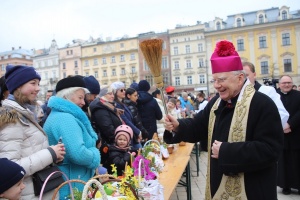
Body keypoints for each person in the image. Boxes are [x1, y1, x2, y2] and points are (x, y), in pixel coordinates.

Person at [164, 40, 283, 200]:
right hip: (217, 186)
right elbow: (198, 126)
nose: (217, 85)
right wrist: (178, 126)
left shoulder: (263, 104)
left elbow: (270, 150)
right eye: (214, 80)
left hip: (252, 189)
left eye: (221, 80)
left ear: (240, 78)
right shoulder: (216, 103)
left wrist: (226, 151)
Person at [0, 65, 65, 200]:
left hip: (39, 191)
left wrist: (54, 157)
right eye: (33, 83)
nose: (38, 88)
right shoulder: (12, 119)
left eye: (38, 83)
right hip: (28, 194)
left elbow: (30, 151)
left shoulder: (26, 114)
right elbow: (11, 169)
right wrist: (50, 154)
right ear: (18, 86)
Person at [43, 76, 100, 199]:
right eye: (80, 97)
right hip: (72, 182)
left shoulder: (61, 115)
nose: (83, 102)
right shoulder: (65, 119)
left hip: (71, 178)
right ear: (65, 97)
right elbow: (78, 154)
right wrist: (95, 154)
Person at [242, 61, 289, 128]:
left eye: (246, 75)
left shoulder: (267, 91)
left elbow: (282, 115)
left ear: (254, 75)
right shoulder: (235, 94)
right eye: (241, 76)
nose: (244, 79)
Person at [276, 75, 300, 195]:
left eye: (289, 82)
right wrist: (282, 126)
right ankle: (285, 186)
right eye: (284, 83)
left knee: (297, 161)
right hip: (281, 134)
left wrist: (290, 124)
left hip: (296, 133)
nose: (286, 85)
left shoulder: (298, 95)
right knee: (283, 161)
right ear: (279, 84)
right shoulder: (275, 96)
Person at [89, 85, 123, 163]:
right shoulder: (100, 109)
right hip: (109, 146)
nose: (112, 96)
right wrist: (120, 139)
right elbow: (108, 129)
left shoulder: (109, 106)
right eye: (109, 93)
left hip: (114, 143)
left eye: (112, 93)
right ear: (103, 95)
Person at [112, 81, 142, 150]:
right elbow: (125, 120)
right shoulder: (117, 105)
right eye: (121, 90)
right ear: (115, 92)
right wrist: (137, 131)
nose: (124, 92)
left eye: (124, 89)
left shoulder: (122, 103)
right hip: (126, 135)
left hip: (130, 133)